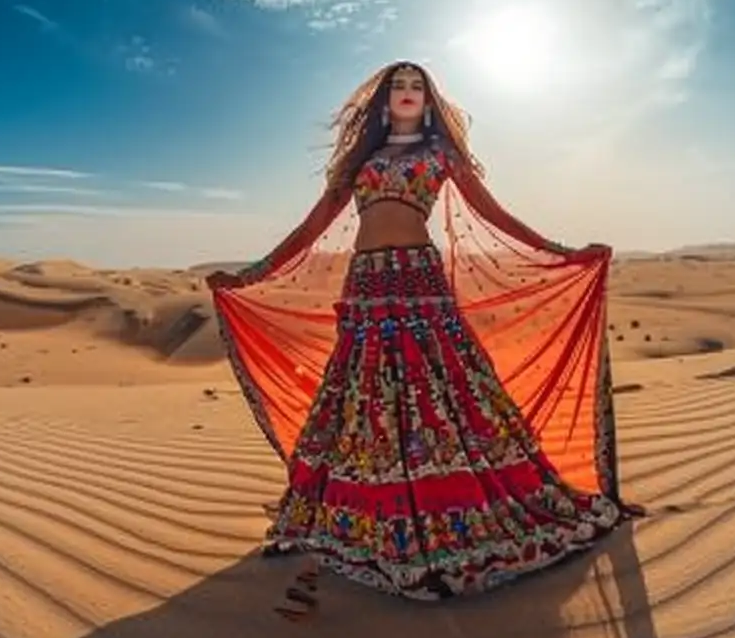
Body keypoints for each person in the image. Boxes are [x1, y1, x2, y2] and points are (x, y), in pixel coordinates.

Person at [209, 63, 646, 606]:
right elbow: (311, 228)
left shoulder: (442, 155)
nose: (408, 94)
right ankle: (358, 518)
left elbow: (496, 216)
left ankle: (447, 520)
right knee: (364, 400)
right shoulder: (360, 162)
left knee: (438, 393)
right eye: (399, 87)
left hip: (418, 280)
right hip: (367, 285)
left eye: (417, 87)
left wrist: (564, 253)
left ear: (429, 100)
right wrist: (252, 275)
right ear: (384, 102)